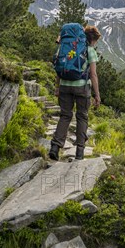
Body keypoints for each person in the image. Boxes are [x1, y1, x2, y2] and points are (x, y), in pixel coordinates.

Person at [49, 25, 101, 161]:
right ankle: (79, 152)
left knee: (65, 116)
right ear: (93, 39)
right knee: (82, 117)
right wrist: (97, 95)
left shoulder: (64, 48)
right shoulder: (90, 51)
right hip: (82, 88)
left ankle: (55, 147)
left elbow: (60, 68)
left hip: (65, 86)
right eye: (96, 41)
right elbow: (93, 75)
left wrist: (57, 87)